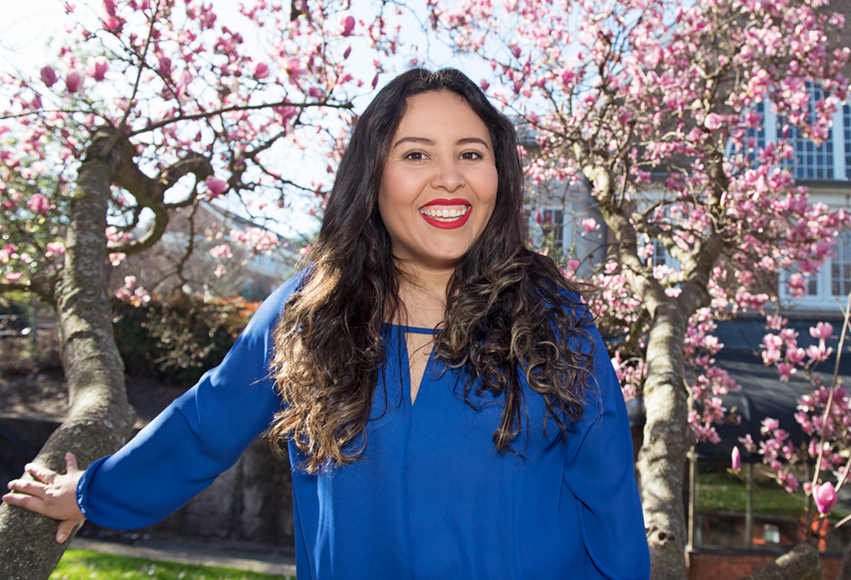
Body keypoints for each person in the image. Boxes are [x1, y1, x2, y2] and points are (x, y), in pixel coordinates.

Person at [4, 68, 650, 579]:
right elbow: (206, 426)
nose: (450, 178)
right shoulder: (306, 314)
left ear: (499, 176)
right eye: (417, 154)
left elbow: (609, 493)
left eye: (471, 153)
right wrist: (90, 493)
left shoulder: (555, 320)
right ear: (373, 176)